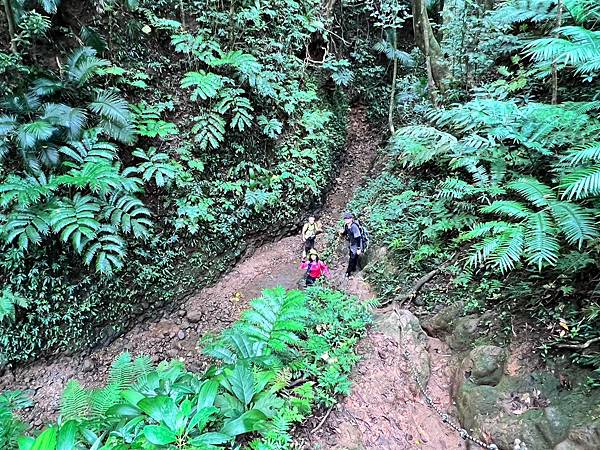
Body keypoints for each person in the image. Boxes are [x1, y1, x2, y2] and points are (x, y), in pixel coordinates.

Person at [339, 212, 363, 277]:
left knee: (352, 258)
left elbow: (358, 237)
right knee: (353, 256)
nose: (347, 220)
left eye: (348, 218)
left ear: (351, 219)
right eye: (345, 219)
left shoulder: (354, 227)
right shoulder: (346, 226)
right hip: (352, 243)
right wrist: (342, 233)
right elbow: (346, 232)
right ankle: (354, 268)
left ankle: (348, 272)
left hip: (356, 244)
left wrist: (358, 248)